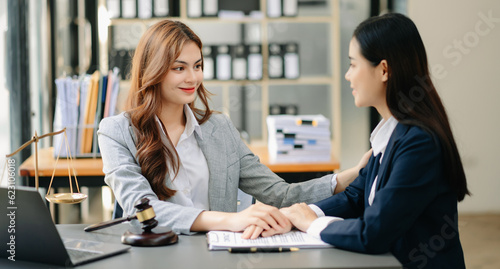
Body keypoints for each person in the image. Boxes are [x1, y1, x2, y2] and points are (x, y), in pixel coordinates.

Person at [98, 19, 370, 236]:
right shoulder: (116, 132)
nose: (192, 77)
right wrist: (231, 220)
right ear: (152, 71)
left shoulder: (219, 127)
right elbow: (142, 208)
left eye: (197, 65)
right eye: (179, 68)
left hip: (217, 255)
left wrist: (348, 176)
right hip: (153, 258)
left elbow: (280, 194)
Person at [270, 13, 469, 269]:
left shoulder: (420, 143)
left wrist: (312, 223)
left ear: (384, 70)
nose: (347, 75)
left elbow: (374, 233)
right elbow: (355, 196)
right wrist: (296, 215)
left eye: (353, 64)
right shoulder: (389, 133)